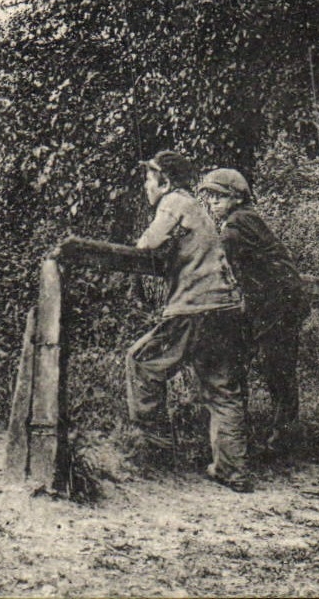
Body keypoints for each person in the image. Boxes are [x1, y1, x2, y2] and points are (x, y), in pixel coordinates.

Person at [58, 149, 254, 492]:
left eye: (149, 179)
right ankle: (232, 471)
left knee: (141, 362)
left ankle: (159, 450)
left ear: (163, 180)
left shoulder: (175, 202)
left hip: (196, 307)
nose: (146, 187)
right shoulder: (199, 210)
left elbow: (149, 244)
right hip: (227, 308)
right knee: (223, 390)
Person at [196, 168, 310, 450]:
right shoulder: (244, 220)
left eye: (220, 197)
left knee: (276, 364)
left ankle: (284, 435)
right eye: (210, 197)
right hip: (271, 302)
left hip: (279, 304)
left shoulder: (239, 224)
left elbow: (218, 255)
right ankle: (274, 432)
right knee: (269, 363)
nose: (213, 203)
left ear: (236, 198)